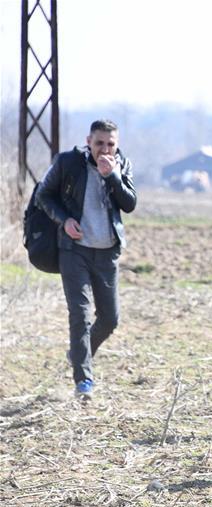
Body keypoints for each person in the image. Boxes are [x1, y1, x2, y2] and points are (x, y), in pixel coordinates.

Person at [35, 119, 137, 399]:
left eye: (111, 144)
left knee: (109, 319)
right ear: (88, 141)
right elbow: (44, 195)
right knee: (79, 315)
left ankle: (78, 354)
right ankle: (84, 382)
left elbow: (129, 204)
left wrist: (113, 177)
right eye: (99, 143)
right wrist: (64, 220)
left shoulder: (122, 164)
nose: (105, 149)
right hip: (74, 249)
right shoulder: (68, 162)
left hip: (107, 252)